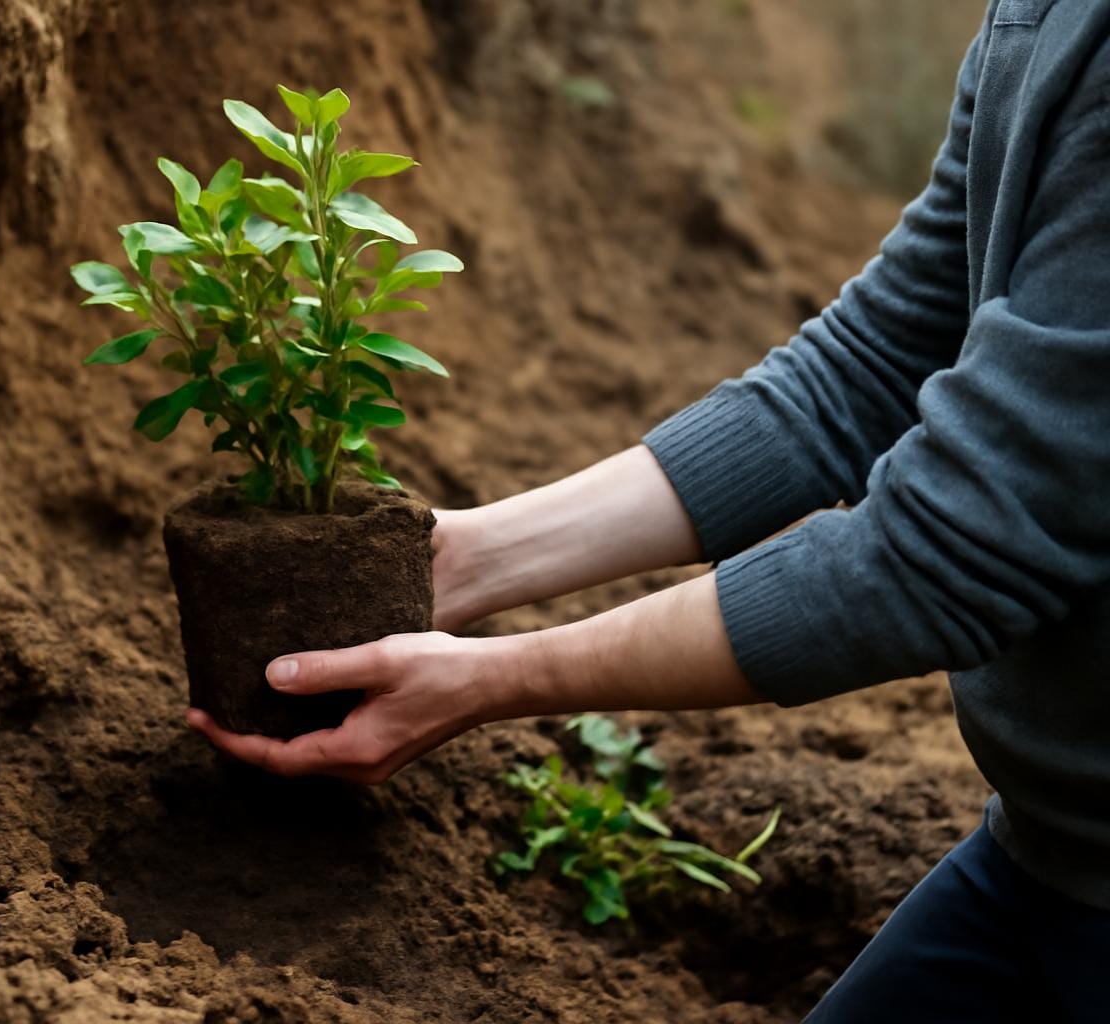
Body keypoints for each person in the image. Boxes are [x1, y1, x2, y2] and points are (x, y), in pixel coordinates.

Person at [187, 2, 1110, 1019]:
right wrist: (455, 562)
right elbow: (878, 357)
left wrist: (487, 679)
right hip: (1046, 851)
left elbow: (945, 552)